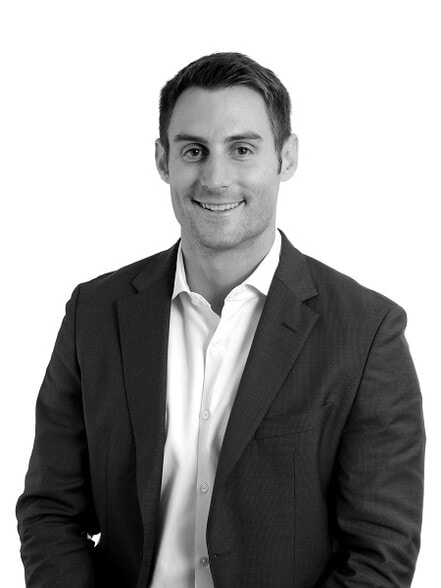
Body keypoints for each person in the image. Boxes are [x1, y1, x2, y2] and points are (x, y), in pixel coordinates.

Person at [16, 52, 425, 588]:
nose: (215, 177)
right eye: (194, 150)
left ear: (286, 157)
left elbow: (379, 555)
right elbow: (50, 511)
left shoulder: (367, 333)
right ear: (163, 160)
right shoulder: (93, 314)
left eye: (242, 149)